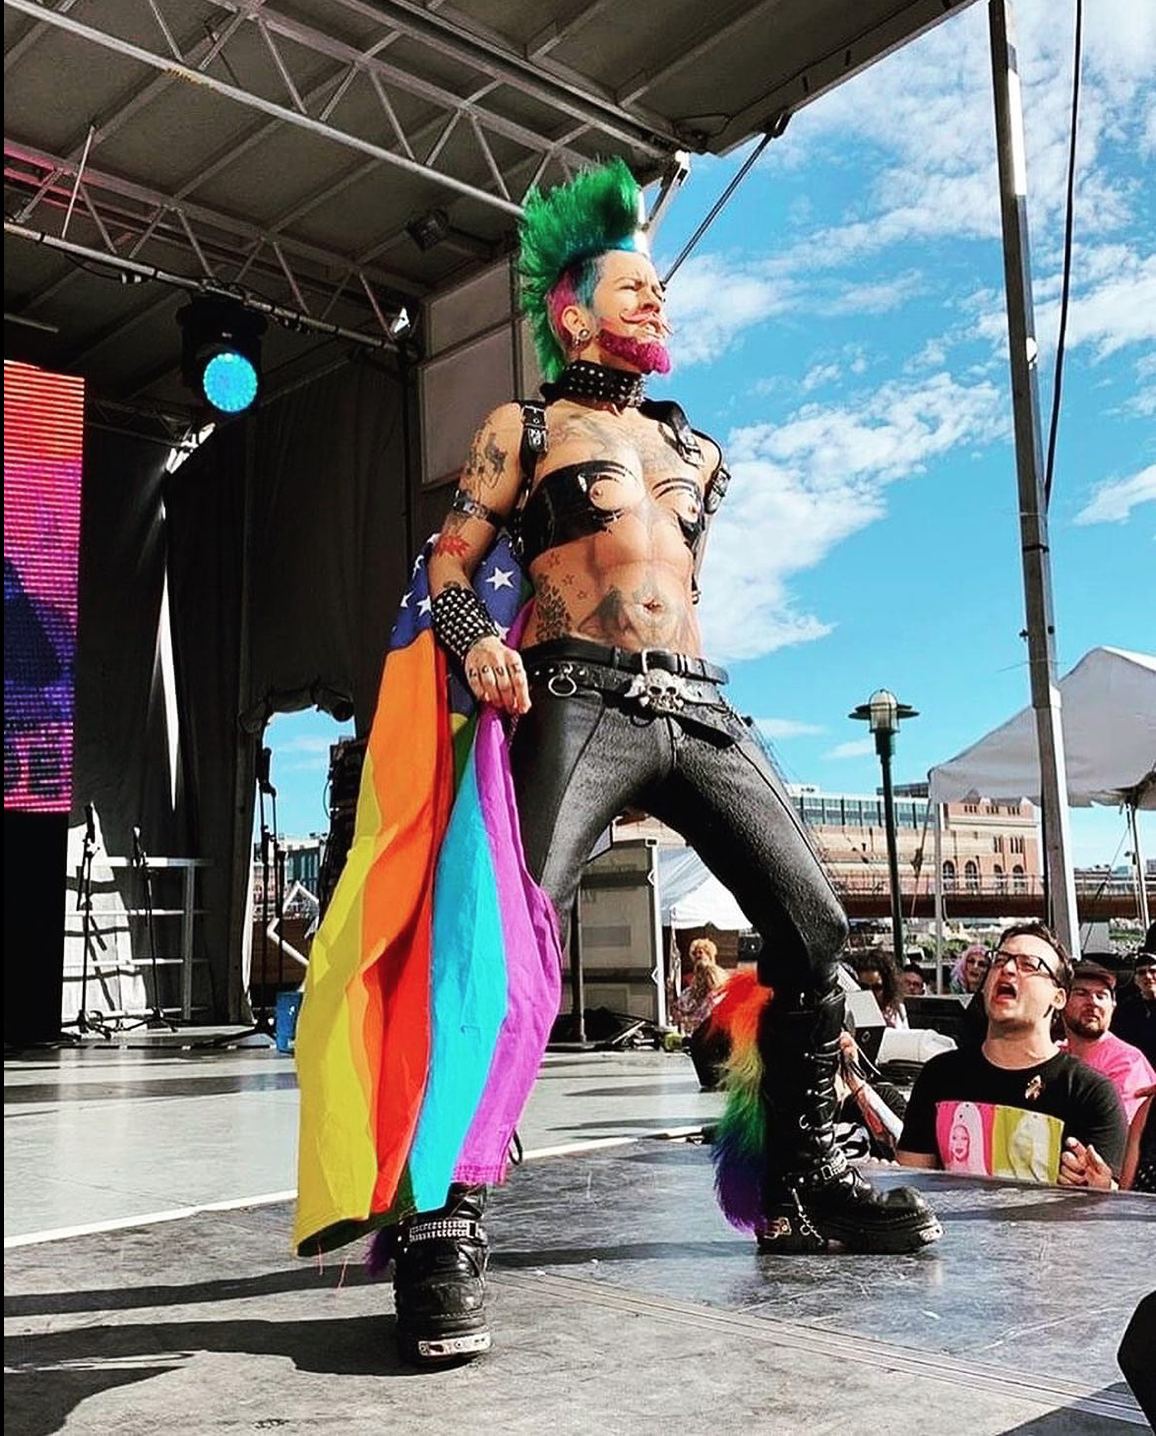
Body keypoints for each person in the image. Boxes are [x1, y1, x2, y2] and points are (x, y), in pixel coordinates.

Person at [295, 158, 939, 1368]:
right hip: (574, 696)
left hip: (699, 707)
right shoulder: (522, 428)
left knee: (811, 927)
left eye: (661, 291)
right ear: (570, 312)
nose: (658, 305)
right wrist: (477, 638)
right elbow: (447, 565)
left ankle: (801, 1185)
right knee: (501, 940)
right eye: (632, 289)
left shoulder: (696, 448)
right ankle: (442, 1219)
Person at [896, 922, 1127, 1189]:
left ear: (1058, 997)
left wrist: (1096, 1191)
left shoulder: (1090, 1092)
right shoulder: (940, 1075)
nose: (1006, 969)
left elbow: (1100, 1209)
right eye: (1000, 960)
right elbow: (912, 1187)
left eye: (1028, 965)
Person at [1061, 958, 1156, 1123]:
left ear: (1113, 1005)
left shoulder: (1128, 1063)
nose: (1093, 1002)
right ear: (1060, 1000)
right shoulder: (1056, 1053)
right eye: (1081, 993)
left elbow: (1116, 1135)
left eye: (1101, 995)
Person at [1111, 925, 1156, 1065]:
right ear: (1135, 979)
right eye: (1142, 972)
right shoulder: (1126, 1010)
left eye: (1153, 971)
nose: (1148, 977)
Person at [671, 938, 727, 1035]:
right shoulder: (688, 979)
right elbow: (679, 1008)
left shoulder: (720, 977)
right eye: (695, 953)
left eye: (700, 952)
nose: (697, 956)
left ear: (709, 954)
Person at [855, 949, 908, 1028]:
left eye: (877, 988)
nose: (871, 993)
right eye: (864, 988)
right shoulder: (852, 1017)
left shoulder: (898, 1010)